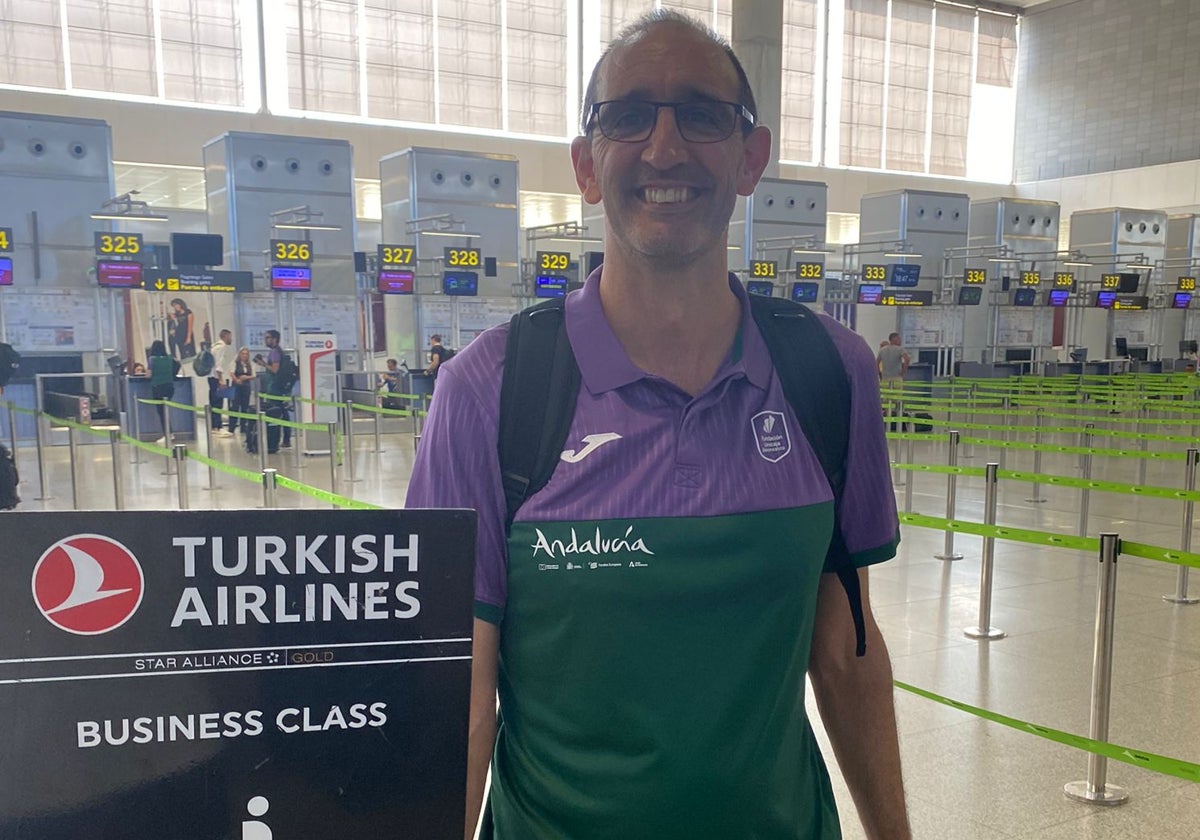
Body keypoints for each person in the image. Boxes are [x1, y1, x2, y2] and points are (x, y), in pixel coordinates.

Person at [406, 11, 908, 840]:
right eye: (628, 115)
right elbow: (460, 696)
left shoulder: (830, 373)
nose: (665, 149)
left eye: (703, 115)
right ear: (586, 164)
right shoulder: (491, 391)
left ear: (752, 158)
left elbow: (847, 651)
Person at [253, 329, 292, 453]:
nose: (266, 340)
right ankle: (285, 438)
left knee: (278, 412)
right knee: (283, 412)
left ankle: (280, 439)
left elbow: (275, 370)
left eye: (268, 338)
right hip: (278, 387)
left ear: (275, 339)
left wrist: (263, 364)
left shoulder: (275, 352)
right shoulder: (277, 351)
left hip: (275, 388)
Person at [147, 340, 179, 444]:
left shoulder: (152, 360)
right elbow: (178, 364)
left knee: (161, 412)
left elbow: (148, 375)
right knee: (165, 411)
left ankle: (168, 434)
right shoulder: (169, 358)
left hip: (158, 387)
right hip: (169, 387)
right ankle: (169, 433)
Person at [208, 329, 237, 436]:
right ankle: (217, 427)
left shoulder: (214, 347)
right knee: (218, 402)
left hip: (212, 378)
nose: (231, 339)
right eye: (230, 336)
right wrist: (221, 380)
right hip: (216, 378)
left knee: (214, 401)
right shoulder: (222, 347)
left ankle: (214, 426)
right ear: (225, 336)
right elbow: (218, 365)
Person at [228, 346, 255, 436]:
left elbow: (253, 375)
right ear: (240, 354)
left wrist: (245, 378)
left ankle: (243, 427)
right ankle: (231, 427)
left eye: (246, 354)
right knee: (234, 407)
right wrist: (237, 380)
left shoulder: (250, 364)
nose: (244, 355)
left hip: (246, 387)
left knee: (245, 407)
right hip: (236, 386)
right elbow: (232, 373)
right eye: (243, 353)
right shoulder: (235, 363)